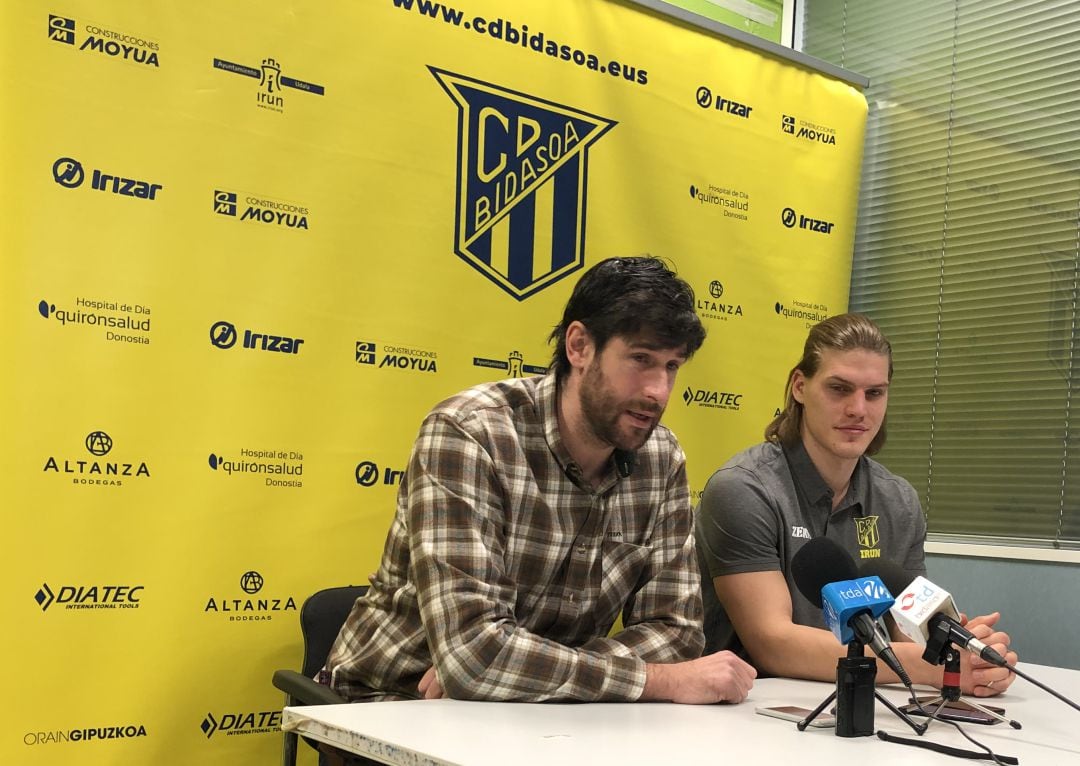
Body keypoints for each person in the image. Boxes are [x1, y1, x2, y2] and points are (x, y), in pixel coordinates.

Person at [323, 256, 756, 707]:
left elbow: (677, 632)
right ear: (579, 346)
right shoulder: (472, 433)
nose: (658, 391)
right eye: (640, 360)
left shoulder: (661, 457)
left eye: (671, 366)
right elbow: (475, 655)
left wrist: (515, 669)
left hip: (537, 713)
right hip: (391, 704)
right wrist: (661, 680)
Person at [695, 312, 1017, 696]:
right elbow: (772, 644)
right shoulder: (743, 490)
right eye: (839, 389)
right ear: (800, 386)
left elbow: (908, 628)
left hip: (866, 699)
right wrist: (929, 667)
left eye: (874, 393)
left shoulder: (899, 501)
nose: (858, 409)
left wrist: (965, 653)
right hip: (749, 711)